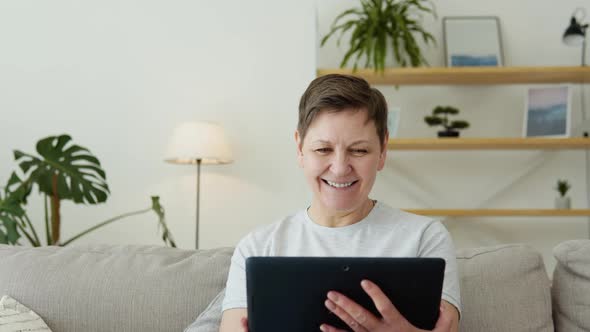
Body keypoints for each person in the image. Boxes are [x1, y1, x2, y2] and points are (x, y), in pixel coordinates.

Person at [219, 74, 461, 332]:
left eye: (359, 151)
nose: (339, 168)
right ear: (300, 148)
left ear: (383, 151)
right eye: (323, 150)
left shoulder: (425, 238)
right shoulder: (258, 248)